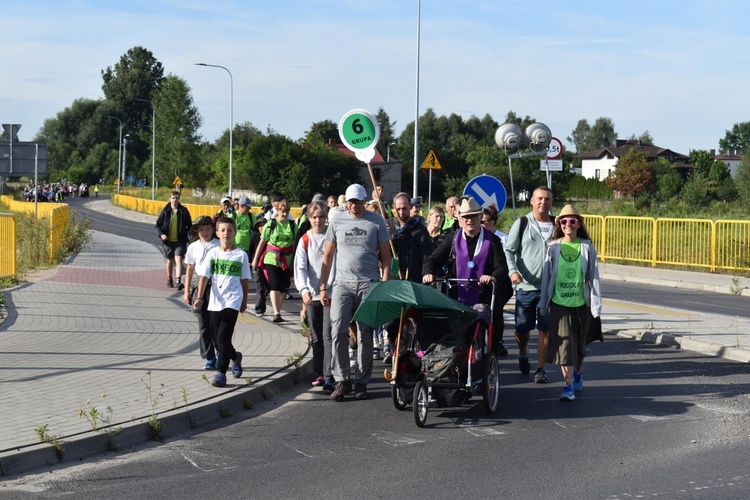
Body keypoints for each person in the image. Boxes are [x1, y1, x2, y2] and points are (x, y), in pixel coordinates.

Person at [318, 183, 392, 402]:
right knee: (337, 330)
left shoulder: (376, 221)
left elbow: (386, 258)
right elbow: (328, 256)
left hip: (368, 283)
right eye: (351, 201)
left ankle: (361, 382)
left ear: (364, 201)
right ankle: (342, 380)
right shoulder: (337, 220)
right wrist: (323, 286)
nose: (354, 205)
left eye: (358, 201)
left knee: (365, 333)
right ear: (346, 202)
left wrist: (384, 285)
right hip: (342, 283)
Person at [422, 196, 512, 356]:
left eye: (473, 216)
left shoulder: (492, 240)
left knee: (491, 319)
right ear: (460, 218)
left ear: (480, 217)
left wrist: (491, 277)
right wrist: (428, 272)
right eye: (466, 217)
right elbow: (434, 259)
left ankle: (493, 346)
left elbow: (502, 267)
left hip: (483, 294)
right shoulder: (452, 238)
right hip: (456, 294)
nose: (470, 220)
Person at [539, 205, 602, 401]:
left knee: (580, 348)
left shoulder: (587, 247)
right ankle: (568, 387)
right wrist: (543, 304)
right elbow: (546, 277)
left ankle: (578, 372)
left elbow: (594, 277)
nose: (568, 224)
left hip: (581, 303)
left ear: (578, 224)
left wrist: (596, 306)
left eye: (572, 221)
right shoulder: (553, 247)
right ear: (559, 224)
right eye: (563, 221)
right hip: (559, 303)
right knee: (565, 346)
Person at [504, 186, 556, 382]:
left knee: (545, 329)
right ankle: (523, 351)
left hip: (549, 288)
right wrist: (512, 271)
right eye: (540, 199)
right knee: (522, 327)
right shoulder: (523, 223)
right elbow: (509, 250)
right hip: (526, 286)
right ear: (532, 201)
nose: (544, 202)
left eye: (547, 199)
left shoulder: (557, 224)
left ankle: (540, 369)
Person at [193, 217, 251, 388]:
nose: (226, 233)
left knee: (223, 337)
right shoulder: (213, 253)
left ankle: (221, 373)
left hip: (233, 300)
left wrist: (244, 301)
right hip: (215, 301)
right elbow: (204, 277)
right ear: (217, 233)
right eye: (223, 230)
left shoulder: (241, 255)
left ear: (235, 233)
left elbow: (245, 280)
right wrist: (199, 298)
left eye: (230, 230)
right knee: (219, 340)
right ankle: (235, 357)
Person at [294, 201, 336, 391]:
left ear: (326, 217)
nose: (318, 220)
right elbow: (300, 268)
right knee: (316, 336)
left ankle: (329, 375)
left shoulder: (332, 237)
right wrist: (304, 290)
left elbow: (336, 264)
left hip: (330, 294)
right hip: (312, 295)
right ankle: (318, 372)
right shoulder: (305, 239)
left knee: (329, 335)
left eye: (321, 216)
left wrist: (331, 288)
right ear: (309, 218)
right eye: (314, 217)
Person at [183, 216, 219, 369]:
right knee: (203, 324)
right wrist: (186, 291)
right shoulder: (193, 247)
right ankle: (209, 357)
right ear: (197, 231)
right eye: (201, 229)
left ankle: (221, 352)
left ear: (213, 230)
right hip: (198, 288)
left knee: (215, 324)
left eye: (208, 229)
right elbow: (190, 269)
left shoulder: (219, 245)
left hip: (216, 287)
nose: (205, 232)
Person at [252, 200, 296, 323]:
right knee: (274, 285)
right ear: (278, 211)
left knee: (283, 287)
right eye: (282, 211)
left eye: (287, 211)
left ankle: (278, 311)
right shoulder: (271, 224)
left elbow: (296, 243)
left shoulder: (292, 225)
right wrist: (255, 259)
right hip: (271, 258)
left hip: (286, 259)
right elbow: (262, 242)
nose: (285, 214)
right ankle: (276, 312)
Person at [155, 190, 192, 290]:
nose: (175, 200)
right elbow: (157, 225)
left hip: (180, 240)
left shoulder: (183, 211)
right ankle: (169, 279)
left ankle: (179, 281)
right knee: (170, 260)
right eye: (173, 198)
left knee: (179, 259)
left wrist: (191, 236)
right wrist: (161, 234)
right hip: (168, 240)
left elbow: (189, 225)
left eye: (177, 198)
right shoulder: (166, 211)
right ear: (170, 199)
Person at [248, 217, 270, 316]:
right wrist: (251, 262)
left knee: (269, 287)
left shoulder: (271, 236)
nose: (261, 228)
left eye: (263, 225)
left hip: (269, 264)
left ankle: (262, 299)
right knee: (259, 285)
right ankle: (259, 308)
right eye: (259, 226)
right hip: (257, 265)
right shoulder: (255, 237)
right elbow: (250, 250)